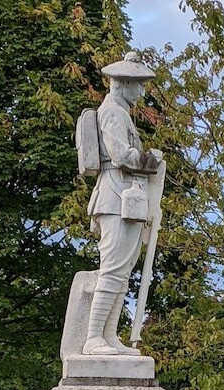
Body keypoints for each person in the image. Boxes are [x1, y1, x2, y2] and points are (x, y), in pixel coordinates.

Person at [82, 51, 163, 356]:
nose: (141, 91)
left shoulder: (121, 112)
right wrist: (150, 160)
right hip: (115, 197)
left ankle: (109, 336)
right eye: (138, 84)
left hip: (126, 199)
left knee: (123, 272)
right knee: (113, 270)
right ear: (125, 82)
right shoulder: (113, 111)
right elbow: (120, 154)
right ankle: (93, 338)